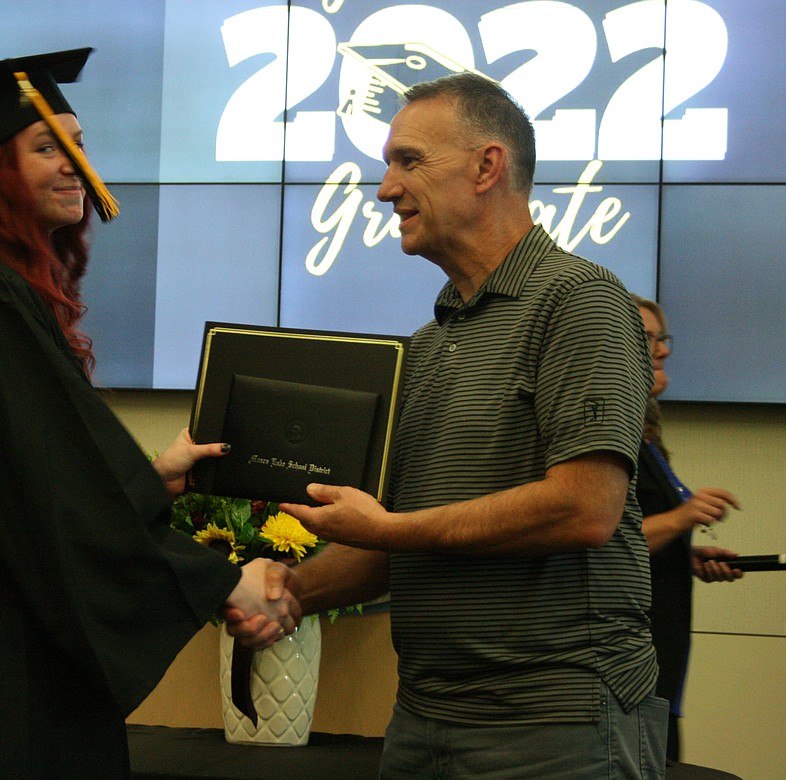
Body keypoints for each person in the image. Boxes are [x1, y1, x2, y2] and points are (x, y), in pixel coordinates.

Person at [0, 48, 297, 779]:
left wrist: (152, 476)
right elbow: (54, 497)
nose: (75, 162)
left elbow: (30, 470)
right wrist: (220, 580)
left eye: (77, 143)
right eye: (47, 146)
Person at [230, 73, 664, 778]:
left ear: (487, 166)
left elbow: (586, 509)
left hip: (556, 728)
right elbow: (400, 541)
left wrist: (391, 530)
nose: (385, 189)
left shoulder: (579, 302)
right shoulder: (426, 347)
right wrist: (289, 591)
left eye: (408, 161)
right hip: (422, 723)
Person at [633, 294, 742, 763]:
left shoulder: (647, 438)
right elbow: (597, 538)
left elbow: (637, 534)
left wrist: (683, 550)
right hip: (626, 673)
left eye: (664, 339)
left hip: (662, 664)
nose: (664, 351)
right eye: (649, 339)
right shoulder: (605, 439)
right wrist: (681, 517)